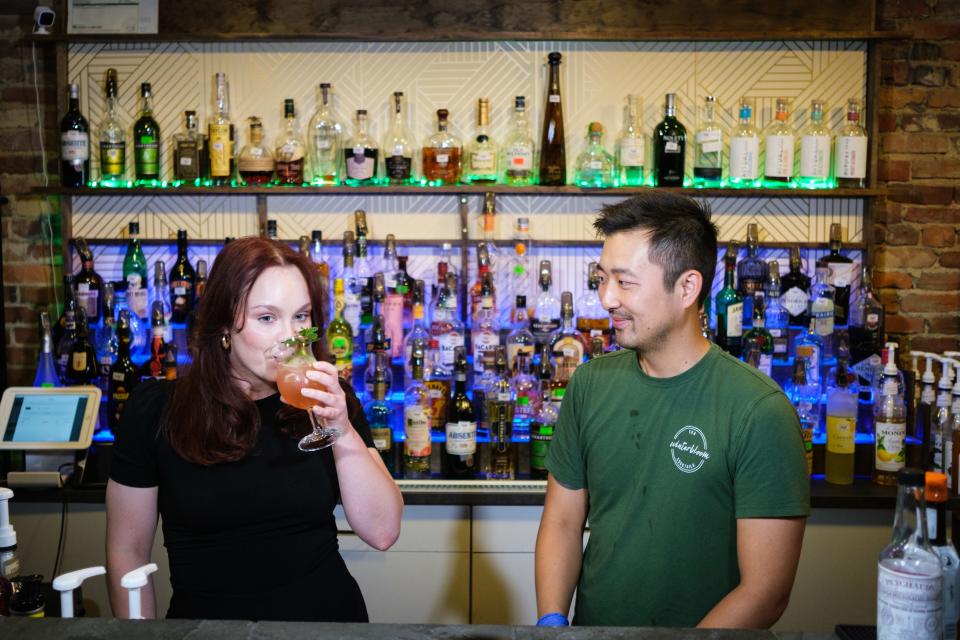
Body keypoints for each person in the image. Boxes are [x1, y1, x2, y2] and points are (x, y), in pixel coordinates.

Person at [534, 192, 809, 628]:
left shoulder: (759, 410)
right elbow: (563, 522)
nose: (606, 298)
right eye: (602, 278)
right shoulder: (589, 385)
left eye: (624, 282)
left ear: (687, 287)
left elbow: (766, 591)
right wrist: (552, 619)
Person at [105, 236, 402, 621]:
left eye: (301, 316)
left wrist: (342, 431)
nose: (289, 337)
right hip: (206, 629)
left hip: (325, 625)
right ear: (225, 322)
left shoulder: (328, 400)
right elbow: (126, 553)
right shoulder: (157, 410)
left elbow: (382, 532)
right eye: (267, 318)